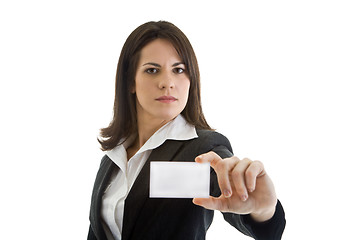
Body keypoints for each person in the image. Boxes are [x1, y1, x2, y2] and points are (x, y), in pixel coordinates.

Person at [88, 21, 286, 240]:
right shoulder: (112, 158)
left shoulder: (202, 150)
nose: (167, 82)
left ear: (191, 79)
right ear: (130, 82)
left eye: (179, 70)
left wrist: (262, 210)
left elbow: (222, 186)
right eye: (152, 70)